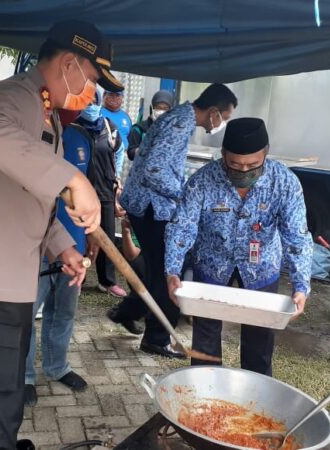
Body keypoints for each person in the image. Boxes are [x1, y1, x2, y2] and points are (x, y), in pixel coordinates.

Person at [0, 19, 120, 449]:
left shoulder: (46, 111)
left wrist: (62, 247)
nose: (91, 90)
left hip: (9, 280)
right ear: (69, 64)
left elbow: (29, 199)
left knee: (5, 382)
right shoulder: (14, 96)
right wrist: (74, 178)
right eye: (91, 78)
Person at [165, 118, 311, 373]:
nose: (243, 171)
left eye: (253, 165)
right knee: (206, 333)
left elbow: (296, 237)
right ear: (223, 155)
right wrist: (172, 271)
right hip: (211, 263)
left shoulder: (285, 183)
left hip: (261, 265)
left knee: (259, 337)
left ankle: (255, 390)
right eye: (234, 164)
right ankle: (205, 387)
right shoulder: (202, 181)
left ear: (266, 154)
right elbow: (181, 227)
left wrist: (301, 286)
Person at [119, 83, 237, 359]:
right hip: (152, 207)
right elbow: (154, 171)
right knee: (169, 272)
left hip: (145, 204)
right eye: (224, 117)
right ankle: (157, 338)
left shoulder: (179, 117)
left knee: (156, 268)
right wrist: (184, 194)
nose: (222, 124)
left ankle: (128, 311)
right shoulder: (180, 123)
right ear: (213, 112)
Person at [24, 121, 94, 407]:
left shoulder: (82, 136)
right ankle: (24, 377)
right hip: (36, 245)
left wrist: (90, 237)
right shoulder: (28, 133)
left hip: (75, 246)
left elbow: (92, 189)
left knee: (64, 311)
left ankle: (57, 366)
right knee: (26, 316)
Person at [78, 91, 127, 297]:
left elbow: (119, 152)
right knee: (79, 235)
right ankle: (77, 278)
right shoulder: (74, 127)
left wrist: (116, 177)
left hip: (105, 189)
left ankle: (107, 281)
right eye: (86, 102)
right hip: (80, 191)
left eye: (93, 102)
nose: (90, 106)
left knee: (107, 235)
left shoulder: (109, 127)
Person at [126, 89, 174, 161]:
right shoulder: (139, 129)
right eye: (158, 107)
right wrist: (145, 149)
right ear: (152, 108)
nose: (161, 111)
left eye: (165, 108)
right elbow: (130, 154)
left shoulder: (174, 131)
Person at [100, 89, 132, 176]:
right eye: (111, 94)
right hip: (105, 158)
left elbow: (129, 138)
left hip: (124, 161)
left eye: (117, 95)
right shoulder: (98, 113)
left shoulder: (126, 117)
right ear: (104, 96)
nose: (114, 98)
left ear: (122, 98)